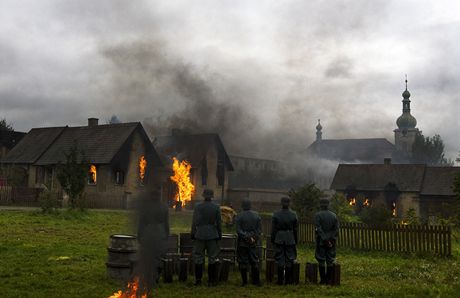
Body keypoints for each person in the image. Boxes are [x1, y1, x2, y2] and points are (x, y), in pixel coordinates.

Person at [136, 189, 169, 292]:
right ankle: (156, 278)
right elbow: (166, 223)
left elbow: (141, 223)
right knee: (158, 258)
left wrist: (139, 235)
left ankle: (147, 278)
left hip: (148, 233)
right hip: (160, 233)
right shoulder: (164, 207)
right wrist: (166, 234)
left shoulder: (145, 207)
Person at [191, 189, 222, 286]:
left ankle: (198, 280)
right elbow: (219, 223)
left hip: (200, 234)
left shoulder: (198, 207)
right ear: (212, 196)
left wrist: (193, 233)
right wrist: (219, 235)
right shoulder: (216, 207)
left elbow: (194, 222)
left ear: (203, 196)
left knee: (198, 257)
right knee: (212, 258)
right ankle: (211, 280)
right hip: (212, 234)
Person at [271, 197, 298, 285]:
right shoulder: (294, 214)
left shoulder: (276, 214)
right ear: (289, 203)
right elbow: (295, 229)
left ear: (281, 203)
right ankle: (288, 280)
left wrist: (273, 239)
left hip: (279, 237)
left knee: (280, 258)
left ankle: (280, 281)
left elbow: (273, 229)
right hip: (290, 237)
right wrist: (295, 240)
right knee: (289, 259)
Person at [235, 198, 262, 286]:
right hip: (253, 242)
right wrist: (253, 237)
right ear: (251, 205)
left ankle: (245, 282)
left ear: (242, 206)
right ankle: (256, 281)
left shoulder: (239, 216)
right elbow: (259, 230)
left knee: (243, 261)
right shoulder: (257, 215)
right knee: (254, 261)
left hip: (243, 242)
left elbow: (238, 230)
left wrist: (246, 236)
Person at [315, 198, 339, 285]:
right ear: (328, 205)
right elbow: (336, 229)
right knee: (330, 259)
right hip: (331, 242)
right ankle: (329, 280)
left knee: (321, 259)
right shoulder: (334, 215)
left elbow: (319, 229)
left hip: (321, 241)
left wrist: (325, 239)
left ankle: (323, 280)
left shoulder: (318, 215)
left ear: (320, 205)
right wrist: (331, 239)